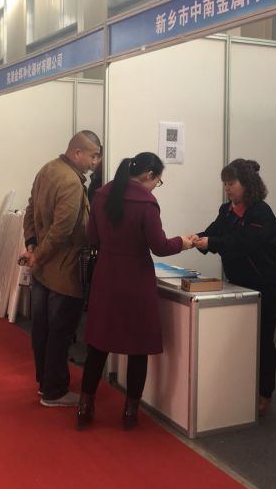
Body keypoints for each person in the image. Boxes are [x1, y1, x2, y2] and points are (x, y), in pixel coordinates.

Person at [77, 152, 195, 430]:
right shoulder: (147, 203)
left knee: (98, 346)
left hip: (106, 278)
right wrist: (184, 242)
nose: (156, 187)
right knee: (137, 348)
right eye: (158, 181)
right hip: (136, 281)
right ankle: (130, 412)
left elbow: (91, 237)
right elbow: (160, 246)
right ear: (149, 175)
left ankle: (85, 406)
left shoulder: (102, 195)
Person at [194, 158, 276, 415]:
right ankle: (240, 389)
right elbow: (214, 232)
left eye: (231, 183)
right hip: (239, 285)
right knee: (239, 340)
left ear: (246, 184)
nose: (227, 188)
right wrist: (194, 239)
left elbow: (242, 243)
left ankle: (264, 393)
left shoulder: (261, 213)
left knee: (262, 341)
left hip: (266, 287)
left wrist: (210, 242)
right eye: (225, 183)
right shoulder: (227, 210)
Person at [20, 131, 102, 407]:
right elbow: (62, 230)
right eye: (92, 156)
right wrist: (38, 255)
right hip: (63, 271)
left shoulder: (47, 169)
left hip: (43, 269)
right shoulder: (70, 182)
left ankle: (45, 382)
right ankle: (54, 390)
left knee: (42, 330)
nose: (95, 163)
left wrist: (32, 244)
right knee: (59, 332)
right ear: (77, 152)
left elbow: (30, 210)